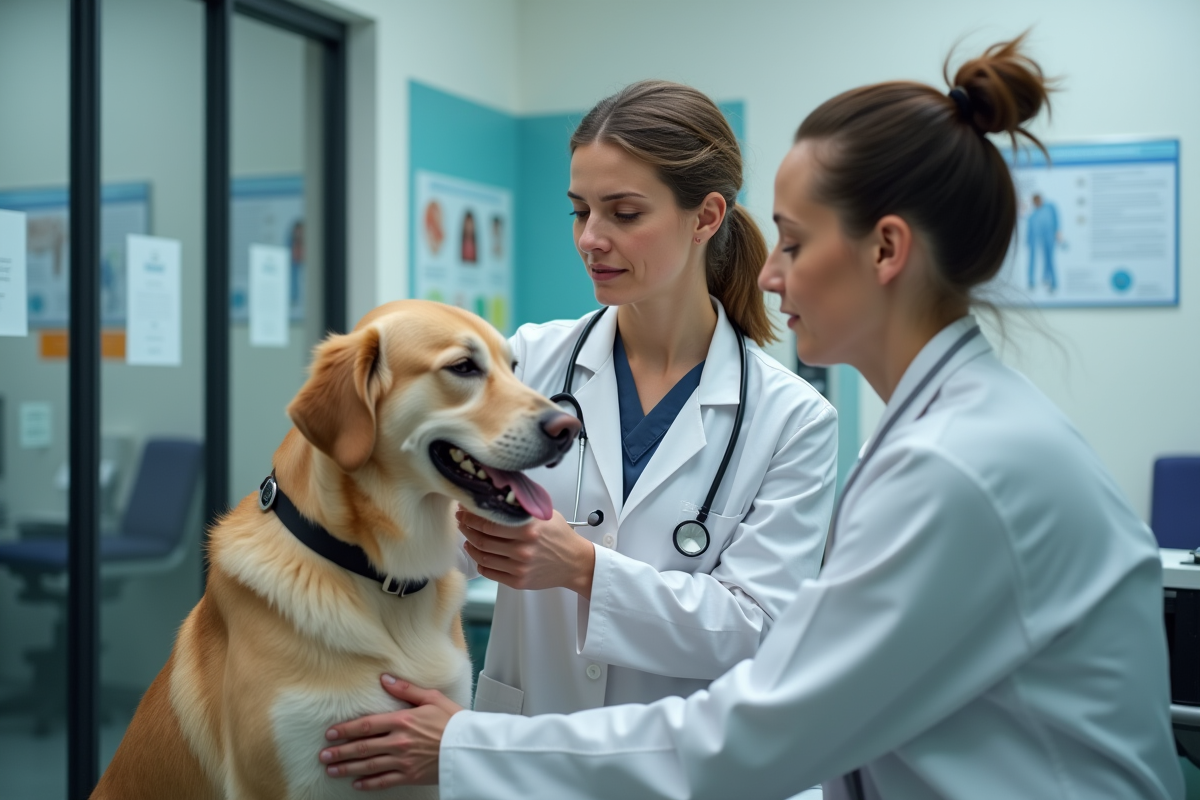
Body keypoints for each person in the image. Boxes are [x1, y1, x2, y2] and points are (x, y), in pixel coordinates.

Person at [317, 36, 1183, 799]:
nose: (770, 276)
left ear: (886, 249)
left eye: (797, 244)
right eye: (581, 213)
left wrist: (490, 720)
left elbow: (756, 721)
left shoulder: (949, 462)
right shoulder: (949, 435)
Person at [1026, 192, 1060, 291]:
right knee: (1033, 259)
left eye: (1038, 201)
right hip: (1037, 240)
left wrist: (1058, 232)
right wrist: (1028, 240)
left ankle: (1052, 282)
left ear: (1041, 200)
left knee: (1049, 260)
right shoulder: (1033, 215)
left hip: (1049, 239)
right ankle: (1031, 281)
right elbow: (1030, 230)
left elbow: (1056, 221)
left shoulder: (1050, 208)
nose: (1037, 203)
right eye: (1035, 202)